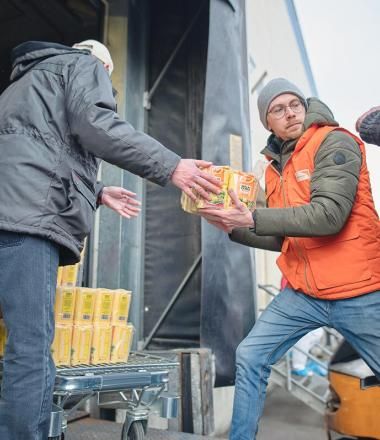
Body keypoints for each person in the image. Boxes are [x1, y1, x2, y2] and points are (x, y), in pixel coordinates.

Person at [0, 39, 220, 440]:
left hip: (10, 213)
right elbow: (96, 124)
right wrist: (172, 167)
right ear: (103, 67)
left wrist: (98, 191)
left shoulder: (19, 87)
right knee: (30, 348)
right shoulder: (83, 67)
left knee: (24, 347)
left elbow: (34, 150)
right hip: (27, 224)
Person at [198, 78, 380, 439]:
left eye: (295, 103)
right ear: (268, 123)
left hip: (359, 290)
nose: (290, 112)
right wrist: (229, 225)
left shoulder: (335, 141)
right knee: (251, 354)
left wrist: (251, 217)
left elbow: (328, 217)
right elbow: (284, 235)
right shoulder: (273, 168)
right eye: (277, 109)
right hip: (304, 293)